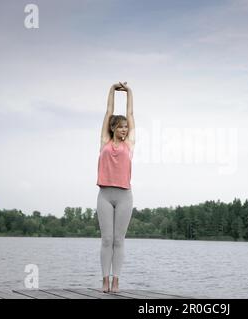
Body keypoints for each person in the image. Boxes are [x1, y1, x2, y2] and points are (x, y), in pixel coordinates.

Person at [96, 81, 135, 293]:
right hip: (104, 194)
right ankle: (104, 279)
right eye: (120, 126)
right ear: (113, 128)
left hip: (124, 196)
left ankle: (116, 279)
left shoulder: (130, 144)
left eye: (126, 127)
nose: (124, 129)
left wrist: (128, 92)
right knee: (107, 239)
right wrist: (112, 89)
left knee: (119, 240)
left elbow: (130, 112)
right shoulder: (104, 141)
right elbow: (109, 111)